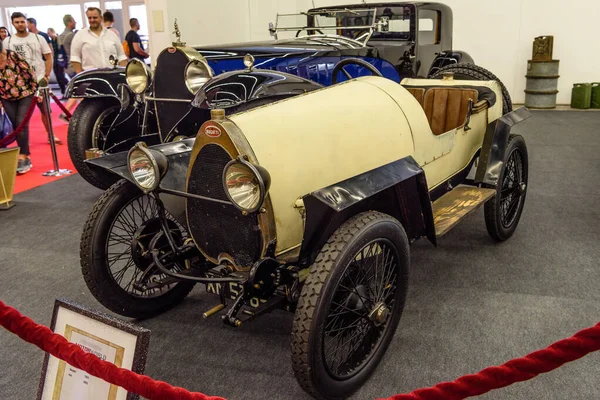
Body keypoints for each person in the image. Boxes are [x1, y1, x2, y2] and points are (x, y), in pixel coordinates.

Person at [3, 12, 60, 144]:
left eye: (22, 21)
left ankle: (51, 135)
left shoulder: (38, 38)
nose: (20, 24)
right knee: (21, 116)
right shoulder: (8, 41)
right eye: (17, 22)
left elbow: (48, 57)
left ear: (26, 22)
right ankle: (23, 140)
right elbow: (4, 62)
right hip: (19, 84)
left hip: (39, 80)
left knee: (46, 111)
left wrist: (46, 75)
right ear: (12, 24)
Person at [0, 40, 39, 174]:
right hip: (6, 97)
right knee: (16, 126)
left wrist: (36, 91)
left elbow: (29, 72)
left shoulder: (13, 56)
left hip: (25, 94)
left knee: (21, 122)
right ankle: (24, 151)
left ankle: (24, 155)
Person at [70, 7, 127, 73]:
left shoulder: (112, 35)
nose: (92, 20)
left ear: (101, 18)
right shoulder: (80, 35)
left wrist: (124, 74)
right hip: (90, 77)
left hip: (112, 75)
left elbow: (121, 56)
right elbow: (75, 58)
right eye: (89, 18)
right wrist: (80, 77)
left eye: (95, 17)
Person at [58, 14, 78, 122]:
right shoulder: (71, 35)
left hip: (68, 66)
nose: (75, 23)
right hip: (74, 65)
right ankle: (65, 113)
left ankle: (65, 113)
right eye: (74, 21)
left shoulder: (60, 35)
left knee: (78, 90)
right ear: (69, 22)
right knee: (80, 91)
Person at [47, 28, 68, 95]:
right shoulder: (51, 41)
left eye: (49, 33)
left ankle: (70, 86)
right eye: (48, 33)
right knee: (58, 78)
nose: (48, 35)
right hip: (54, 61)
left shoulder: (59, 39)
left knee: (61, 76)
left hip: (61, 61)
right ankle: (63, 92)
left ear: (53, 32)